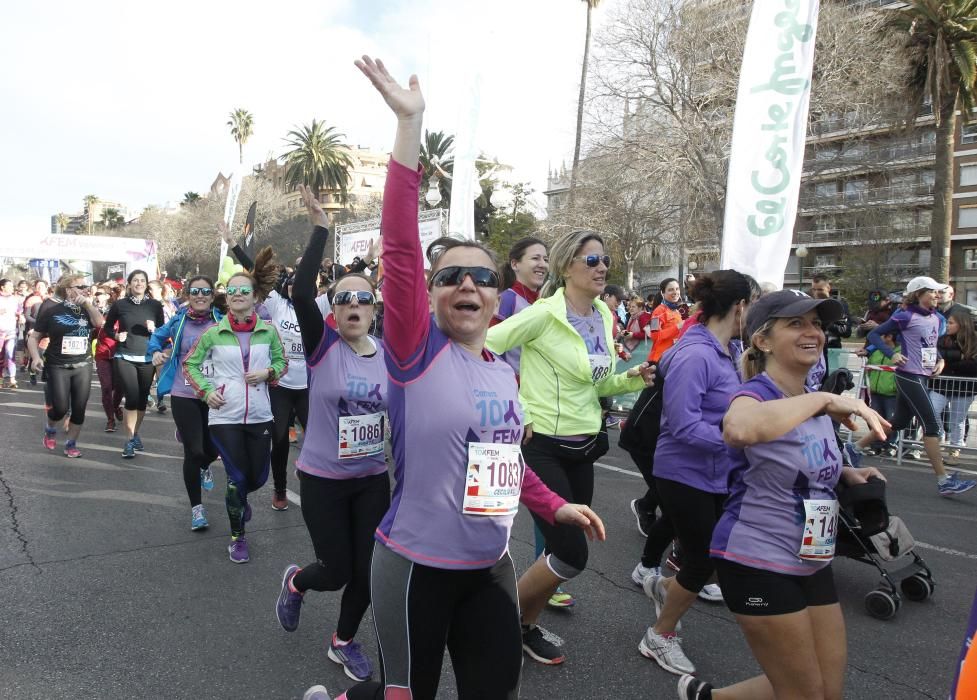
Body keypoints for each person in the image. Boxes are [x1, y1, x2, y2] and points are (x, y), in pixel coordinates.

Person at [330, 55, 606, 700]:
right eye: (451, 275)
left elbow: (506, 460)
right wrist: (410, 126)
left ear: (496, 296)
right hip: (413, 567)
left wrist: (553, 505)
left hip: (490, 568)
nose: (467, 285)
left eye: (482, 277)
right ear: (430, 297)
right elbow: (398, 247)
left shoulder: (502, 372)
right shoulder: (415, 355)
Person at [678, 289, 889, 700]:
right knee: (804, 694)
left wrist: (845, 473)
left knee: (828, 690)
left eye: (816, 323)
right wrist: (826, 398)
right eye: (796, 324)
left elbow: (791, 461)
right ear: (763, 340)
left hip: (811, 557)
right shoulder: (755, 394)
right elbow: (739, 431)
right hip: (758, 559)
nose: (813, 332)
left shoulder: (806, 400)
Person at [487, 227, 654, 665]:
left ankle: (522, 626)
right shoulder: (544, 313)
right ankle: (499, 619)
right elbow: (483, 347)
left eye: (605, 260)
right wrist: (514, 408)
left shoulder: (602, 313)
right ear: (567, 267)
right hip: (542, 444)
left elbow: (598, 382)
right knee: (572, 551)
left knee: (561, 551)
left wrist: (631, 378)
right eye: (592, 260)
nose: (603, 268)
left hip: (585, 445)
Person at [274, 189, 389, 682]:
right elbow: (300, 293)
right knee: (336, 570)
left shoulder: (389, 355)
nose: (354, 305)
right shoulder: (322, 347)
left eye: (364, 298)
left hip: (371, 477)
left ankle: (342, 640)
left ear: (374, 308)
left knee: (367, 573)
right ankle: (298, 582)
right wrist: (320, 227)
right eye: (344, 299)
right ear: (333, 311)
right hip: (322, 476)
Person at [636, 270, 751, 677]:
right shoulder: (695, 354)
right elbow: (683, 426)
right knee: (703, 559)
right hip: (682, 472)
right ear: (740, 306)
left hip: (717, 472)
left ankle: (664, 589)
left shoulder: (731, 347)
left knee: (711, 555)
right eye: (751, 305)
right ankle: (659, 636)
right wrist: (739, 439)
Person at [220, 221, 333, 511]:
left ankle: (312, 474)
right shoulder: (278, 304)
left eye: (303, 285)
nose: (297, 287)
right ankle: (280, 489)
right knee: (280, 440)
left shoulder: (318, 306)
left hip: (309, 386)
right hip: (281, 386)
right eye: (293, 284)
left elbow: (343, 283)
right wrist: (234, 244)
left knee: (320, 435)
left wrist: (369, 261)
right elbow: (257, 273)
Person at [491, 236, 577, 609]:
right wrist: (518, 406)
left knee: (545, 496)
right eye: (534, 258)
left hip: (541, 413)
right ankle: (493, 576)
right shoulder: (509, 301)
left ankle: (547, 574)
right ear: (515, 263)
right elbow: (489, 353)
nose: (542, 264)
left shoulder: (546, 302)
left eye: (545, 258)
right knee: (502, 495)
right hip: (513, 413)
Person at [183, 263, 287, 563]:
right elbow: (190, 365)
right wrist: (205, 391)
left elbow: (282, 363)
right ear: (226, 299)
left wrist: (268, 372)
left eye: (244, 290)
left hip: (259, 414)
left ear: (255, 297)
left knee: (256, 477)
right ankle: (237, 536)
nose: (238, 295)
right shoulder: (213, 333)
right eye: (232, 291)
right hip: (224, 416)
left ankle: (241, 500)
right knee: (235, 477)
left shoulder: (269, 331)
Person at [861, 276, 976, 496]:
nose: (936, 296)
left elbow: (930, 344)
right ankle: (944, 481)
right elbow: (874, 334)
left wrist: (940, 360)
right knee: (932, 427)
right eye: (932, 292)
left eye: (938, 292)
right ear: (919, 294)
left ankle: (853, 448)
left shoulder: (938, 318)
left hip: (923, 375)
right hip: (908, 376)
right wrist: (891, 355)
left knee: (897, 422)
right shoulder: (904, 316)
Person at [148, 277, 223, 530]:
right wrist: (156, 352)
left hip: (214, 394)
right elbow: (156, 338)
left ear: (212, 296)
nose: (200, 295)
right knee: (194, 451)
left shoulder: (222, 321)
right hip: (185, 392)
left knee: (214, 450)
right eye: (195, 291)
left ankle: (205, 463)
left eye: (205, 291)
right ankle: (197, 509)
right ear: (188, 295)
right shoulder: (179, 321)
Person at [27, 274, 104, 457]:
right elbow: (34, 337)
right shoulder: (52, 310)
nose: (85, 288)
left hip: (83, 364)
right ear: (68, 290)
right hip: (57, 365)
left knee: (79, 409)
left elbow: (99, 323)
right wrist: (36, 358)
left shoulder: (87, 308)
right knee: (60, 408)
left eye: (86, 286)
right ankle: (50, 428)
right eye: (80, 286)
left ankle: (71, 443)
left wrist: (87, 303)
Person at [101, 270, 165, 458]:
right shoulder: (120, 305)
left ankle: (135, 432)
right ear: (129, 284)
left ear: (146, 284)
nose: (139, 283)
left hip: (147, 357)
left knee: (142, 399)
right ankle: (128, 440)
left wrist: (155, 330)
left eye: (142, 280)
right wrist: (115, 335)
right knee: (131, 396)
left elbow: (162, 330)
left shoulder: (155, 305)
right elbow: (106, 327)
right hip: (125, 355)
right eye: (135, 280)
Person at [929, 307, 977, 466]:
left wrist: (950, 362)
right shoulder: (943, 339)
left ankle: (955, 448)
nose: (947, 325)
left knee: (958, 419)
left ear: (961, 325)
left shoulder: (974, 341)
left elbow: (973, 366)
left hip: (964, 388)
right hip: (941, 385)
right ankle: (940, 436)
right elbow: (937, 356)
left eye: (951, 323)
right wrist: (959, 357)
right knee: (931, 409)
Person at [864, 332, 901, 456]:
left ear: (889, 336)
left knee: (891, 421)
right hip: (876, 392)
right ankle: (876, 445)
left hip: (892, 393)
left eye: (880, 335)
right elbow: (870, 366)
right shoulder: (876, 350)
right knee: (874, 419)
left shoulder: (901, 351)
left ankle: (891, 445)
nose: (878, 339)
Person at [647, 278, 684, 363]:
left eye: (677, 289)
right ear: (663, 293)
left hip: (673, 356)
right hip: (660, 359)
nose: (675, 292)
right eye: (670, 290)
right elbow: (654, 336)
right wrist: (678, 326)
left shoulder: (676, 310)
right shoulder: (657, 312)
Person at [0, 279, 22, 388]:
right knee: (0, 355)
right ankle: (0, 380)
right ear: (2, 287)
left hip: (11, 331)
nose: (12, 288)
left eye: (12, 286)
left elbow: (19, 312)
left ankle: (12, 380)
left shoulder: (15, 299)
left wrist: (21, 317)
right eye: (9, 285)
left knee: (10, 353)